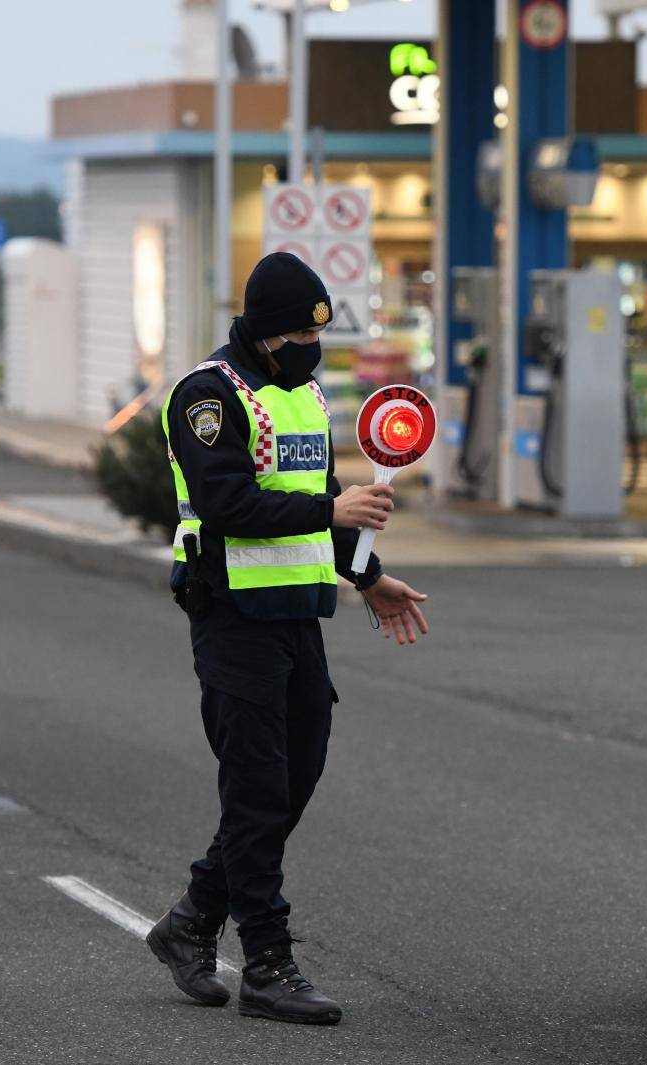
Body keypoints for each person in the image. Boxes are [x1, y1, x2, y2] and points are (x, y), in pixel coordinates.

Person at [146, 252, 430, 1025]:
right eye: (303, 332)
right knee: (257, 792)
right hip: (234, 616)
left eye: (321, 331)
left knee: (292, 779)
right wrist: (331, 515)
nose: (314, 346)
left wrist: (369, 578)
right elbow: (228, 502)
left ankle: (190, 922)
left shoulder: (303, 395)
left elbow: (322, 504)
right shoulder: (207, 395)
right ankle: (268, 965)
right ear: (268, 329)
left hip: (300, 617)